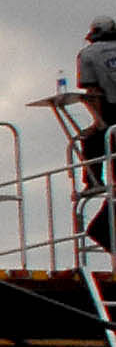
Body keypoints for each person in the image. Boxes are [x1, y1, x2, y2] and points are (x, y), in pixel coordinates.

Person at [74, 16, 116, 250]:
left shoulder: (89, 54)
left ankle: (92, 179)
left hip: (111, 121)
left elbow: (93, 91)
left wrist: (97, 122)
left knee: (90, 138)